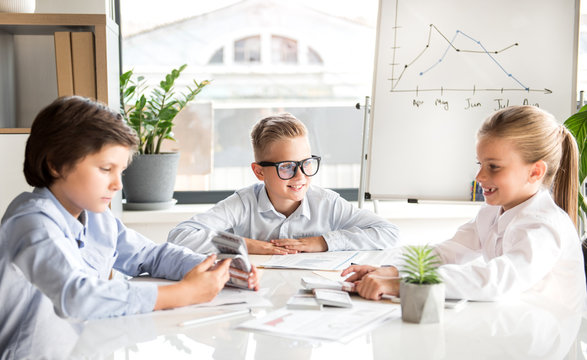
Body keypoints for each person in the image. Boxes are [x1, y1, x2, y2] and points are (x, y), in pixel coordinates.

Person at [0, 96, 258, 356]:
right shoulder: (30, 223)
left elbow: (149, 255)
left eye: (120, 171)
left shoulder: (97, 216)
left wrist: (215, 270)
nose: (118, 184)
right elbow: (77, 296)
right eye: (105, 169)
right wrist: (185, 293)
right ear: (54, 164)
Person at [342, 106, 586, 309]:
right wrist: (391, 270)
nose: (479, 176)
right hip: (514, 328)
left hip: (545, 342)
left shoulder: (544, 225)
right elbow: (450, 251)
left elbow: (496, 280)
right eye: (479, 163)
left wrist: (403, 284)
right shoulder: (493, 211)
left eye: (493, 166)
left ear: (535, 172)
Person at [168, 113, 400, 255]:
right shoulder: (243, 204)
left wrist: (323, 242)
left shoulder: (326, 203)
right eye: (287, 167)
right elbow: (180, 235)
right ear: (259, 172)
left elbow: (390, 234)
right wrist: (249, 245)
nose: (300, 176)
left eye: (306, 163)